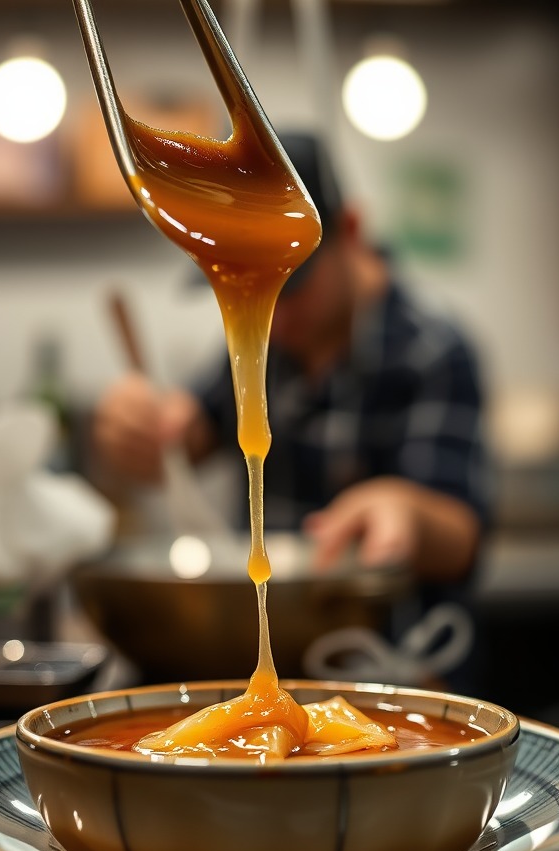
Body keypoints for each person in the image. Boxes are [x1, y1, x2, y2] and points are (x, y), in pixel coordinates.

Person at [92, 130, 492, 688]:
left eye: (288, 282)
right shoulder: (272, 339)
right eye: (243, 285)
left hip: (393, 673)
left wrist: (403, 508)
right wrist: (142, 430)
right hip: (260, 665)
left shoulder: (432, 351)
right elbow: (188, 434)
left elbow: (462, 536)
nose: (271, 313)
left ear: (350, 233)